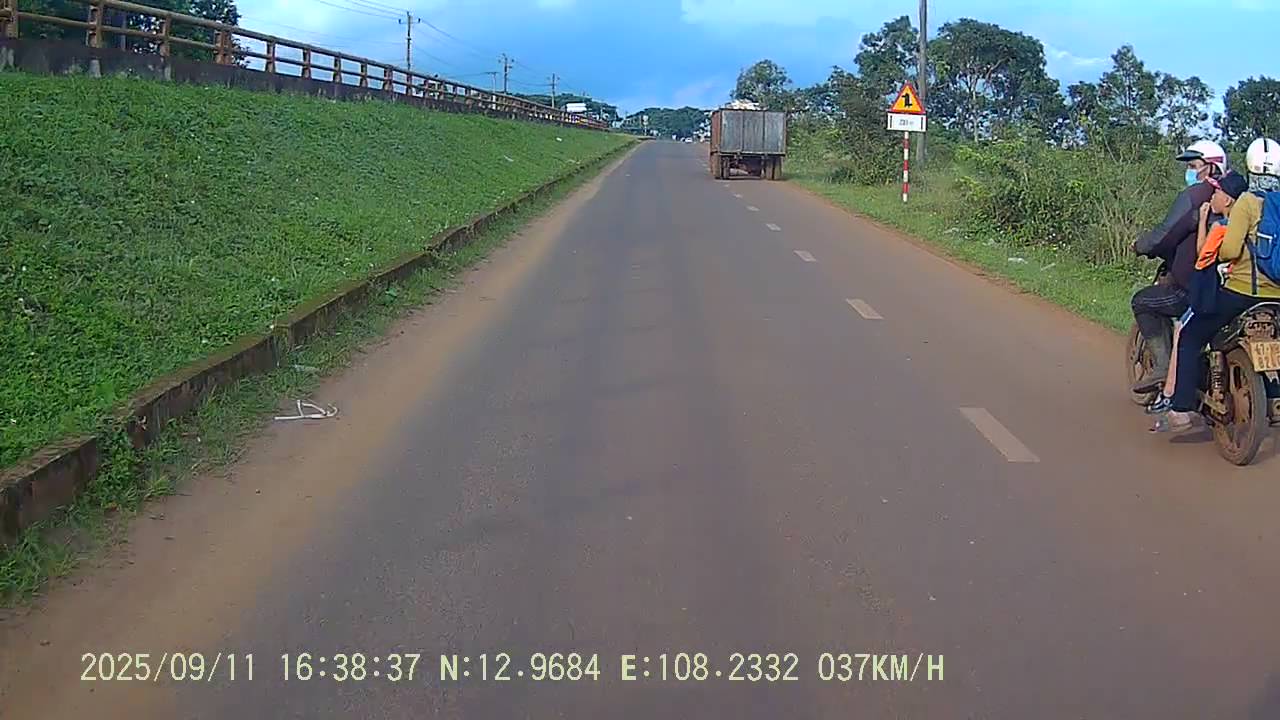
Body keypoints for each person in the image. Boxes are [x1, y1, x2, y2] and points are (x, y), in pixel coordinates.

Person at [1165, 139, 1280, 430]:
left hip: (1242, 292)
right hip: (1277, 298)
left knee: (1191, 335)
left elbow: (1229, 251)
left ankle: (1180, 408)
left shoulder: (1248, 202)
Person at [1144, 171, 1249, 414]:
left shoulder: (1223, 226)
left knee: (1185, 331)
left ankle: (1174, 399)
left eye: (1218, 192)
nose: (1213, 196)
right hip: (1259, 296)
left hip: (1222, 294)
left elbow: (1202, 252)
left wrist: (1202, 220)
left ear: (1228, 200)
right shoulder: (1253, 224)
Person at [1131, 140, 1230, 394]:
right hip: (1229, 287)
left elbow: (1165, 234)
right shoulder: (1234, 196)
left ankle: (1163, 367)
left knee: (1142, 301)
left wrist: (1141, 246)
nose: (1190, 171)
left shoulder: (1194, 196)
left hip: (1191, 286)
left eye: (1194, 166)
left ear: (1211, 167)